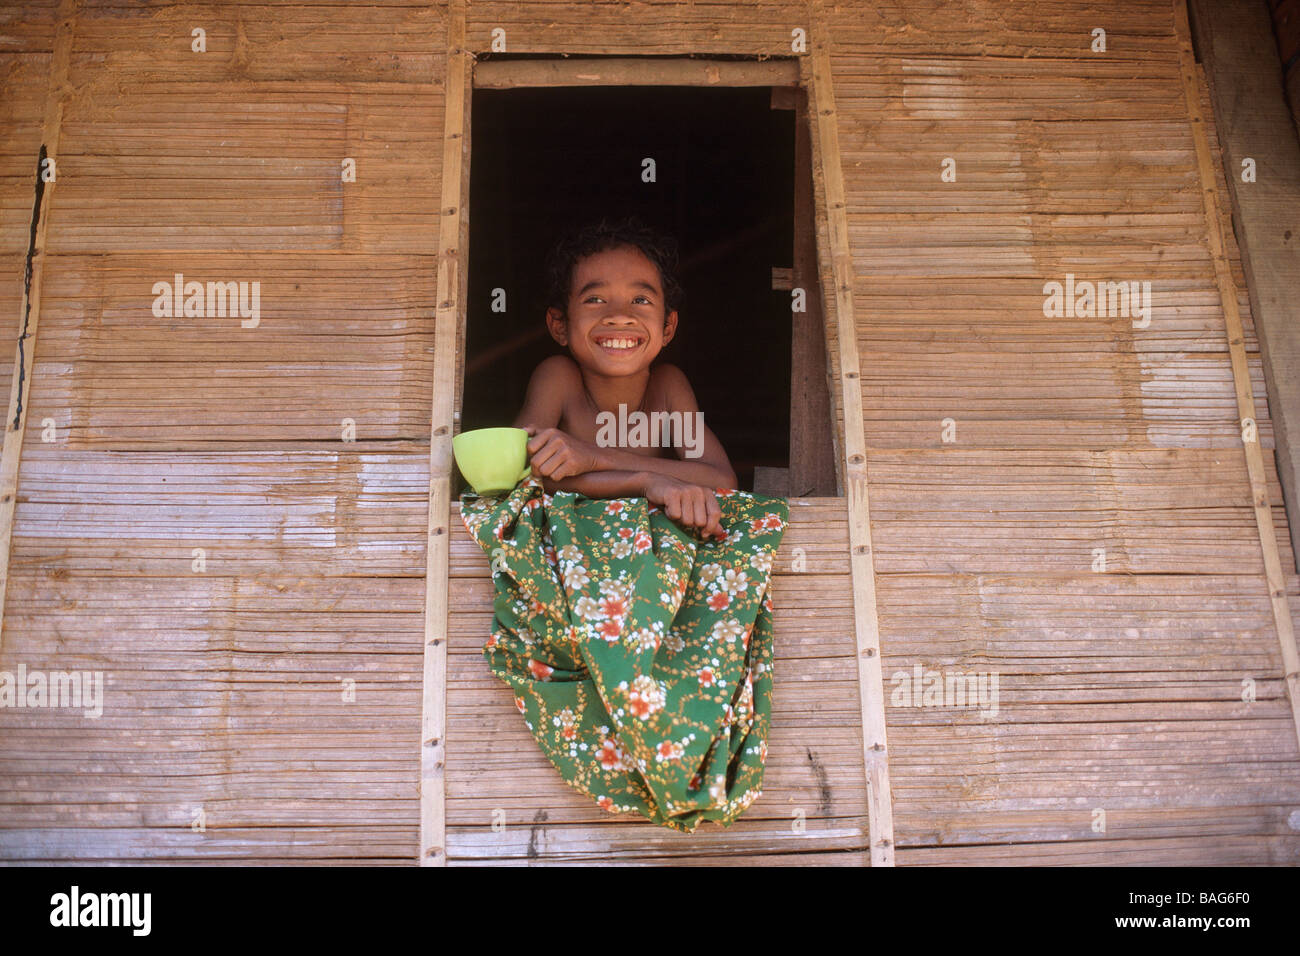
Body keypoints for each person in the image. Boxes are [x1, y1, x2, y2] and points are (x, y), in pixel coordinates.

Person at [513, 217, 736, 539]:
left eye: (640, 300)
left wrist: (594, 458)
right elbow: (518, 474)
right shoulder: (558, 378)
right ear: (559, 324)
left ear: (667, 327)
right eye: (595, 299)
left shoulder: (667, 386)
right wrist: (645, 482)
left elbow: (721, 479)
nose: (619, 315)